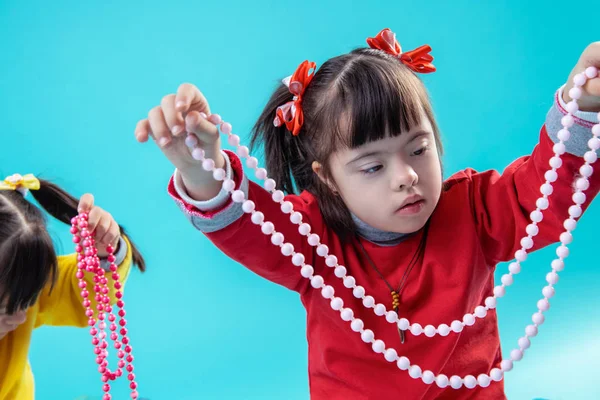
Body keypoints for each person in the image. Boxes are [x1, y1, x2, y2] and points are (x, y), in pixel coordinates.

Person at [134, 28, 600, 399]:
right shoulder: (312, 239)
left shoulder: (475, 210)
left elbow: (545, 192)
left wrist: (581, 111)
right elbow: (249, 223)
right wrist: (202, 169)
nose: (405, 176)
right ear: (329, 178)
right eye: (373, 166)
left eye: (418, 149)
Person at [0, 173, 146, 400]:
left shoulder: (17, 282)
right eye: (3, 310)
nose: (21, 318)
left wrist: (101, 256)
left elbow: (74, 290)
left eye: (27, 301)